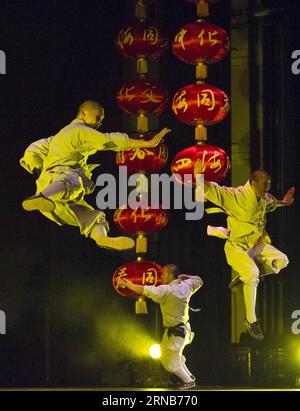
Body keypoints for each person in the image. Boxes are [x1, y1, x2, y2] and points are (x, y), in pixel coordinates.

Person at [20, 100, 170, 251]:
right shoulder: (79, 131)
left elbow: (33, 149)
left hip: (54, 199)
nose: (100, 122)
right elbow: (108, 140)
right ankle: (42, 196)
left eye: (102, 120)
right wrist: (147, 144)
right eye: (98, 117)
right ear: (84, 113)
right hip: (59, 183)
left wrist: (36, 168)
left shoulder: (58, 137)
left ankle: (102, 238)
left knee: (93, 216)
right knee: (73, 180)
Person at [204, 169, 295, 340]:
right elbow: (213, 190)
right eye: (264, 184)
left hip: (255, 245)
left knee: (282, 261)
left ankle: (243, 278)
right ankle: (250, 319)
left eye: (268, 184)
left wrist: (284, 202)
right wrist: (198, 177)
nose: (267, 188)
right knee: (252, 273)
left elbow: (272, 204)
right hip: (236, 248)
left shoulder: (263, 198)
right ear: (253, 184)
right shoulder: (238, 197)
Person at [119, 264, 203, 390]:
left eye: (164, 274)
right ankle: (190, 377)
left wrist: (128, 284)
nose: (161, 276)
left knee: (169, 362)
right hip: (183, 329)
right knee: (171, 356)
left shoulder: (166, 290)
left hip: (176, 332)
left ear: (170, 275)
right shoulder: (187, 286)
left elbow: (145, 290)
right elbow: (199, 280)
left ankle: (189, 382)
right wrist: (184, 276)